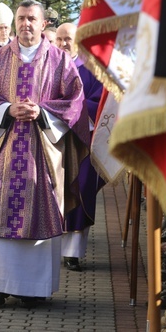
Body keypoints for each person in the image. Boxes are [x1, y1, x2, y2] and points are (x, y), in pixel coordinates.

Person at [0, 0, 88, 308]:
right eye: (21, 18)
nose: (26, 24)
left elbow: (75, 102)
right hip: (1, 150)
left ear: (43, 25)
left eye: (32, 19)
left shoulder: (60, 61)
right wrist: (7, 108)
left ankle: (34, 289)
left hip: (42, 154)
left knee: (40, 213)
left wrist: (42, 111)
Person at [55, 23, 104, 271]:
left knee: (80, 187)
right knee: (54, 190)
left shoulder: (93, 68)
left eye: (69, 39)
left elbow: (100, 100)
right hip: (53, 138)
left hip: (83, 137)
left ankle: (73, 252)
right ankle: (51, 245)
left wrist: (75, 110)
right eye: (60, 39)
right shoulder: (49, 66)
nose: (64, 43)